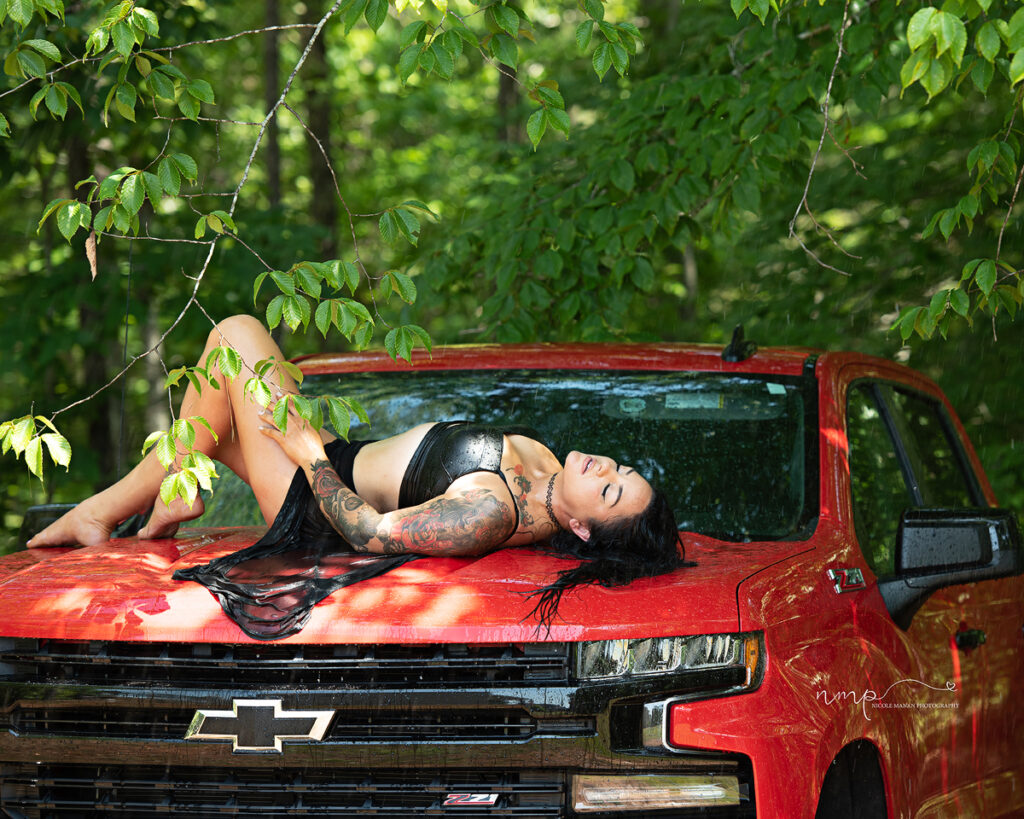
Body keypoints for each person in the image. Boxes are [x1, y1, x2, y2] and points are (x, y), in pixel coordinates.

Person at [28, 315, 685, 637]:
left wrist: (308, 450)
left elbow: (368, 532)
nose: (605, 467)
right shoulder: (544, 465)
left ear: (577, 525)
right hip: (332, 454)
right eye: (620, 470)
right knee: (216, 407)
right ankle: (157, 493)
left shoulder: (489, 510)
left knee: (233, 335)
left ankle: (123, 503)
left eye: (608, 490)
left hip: (312, 498)